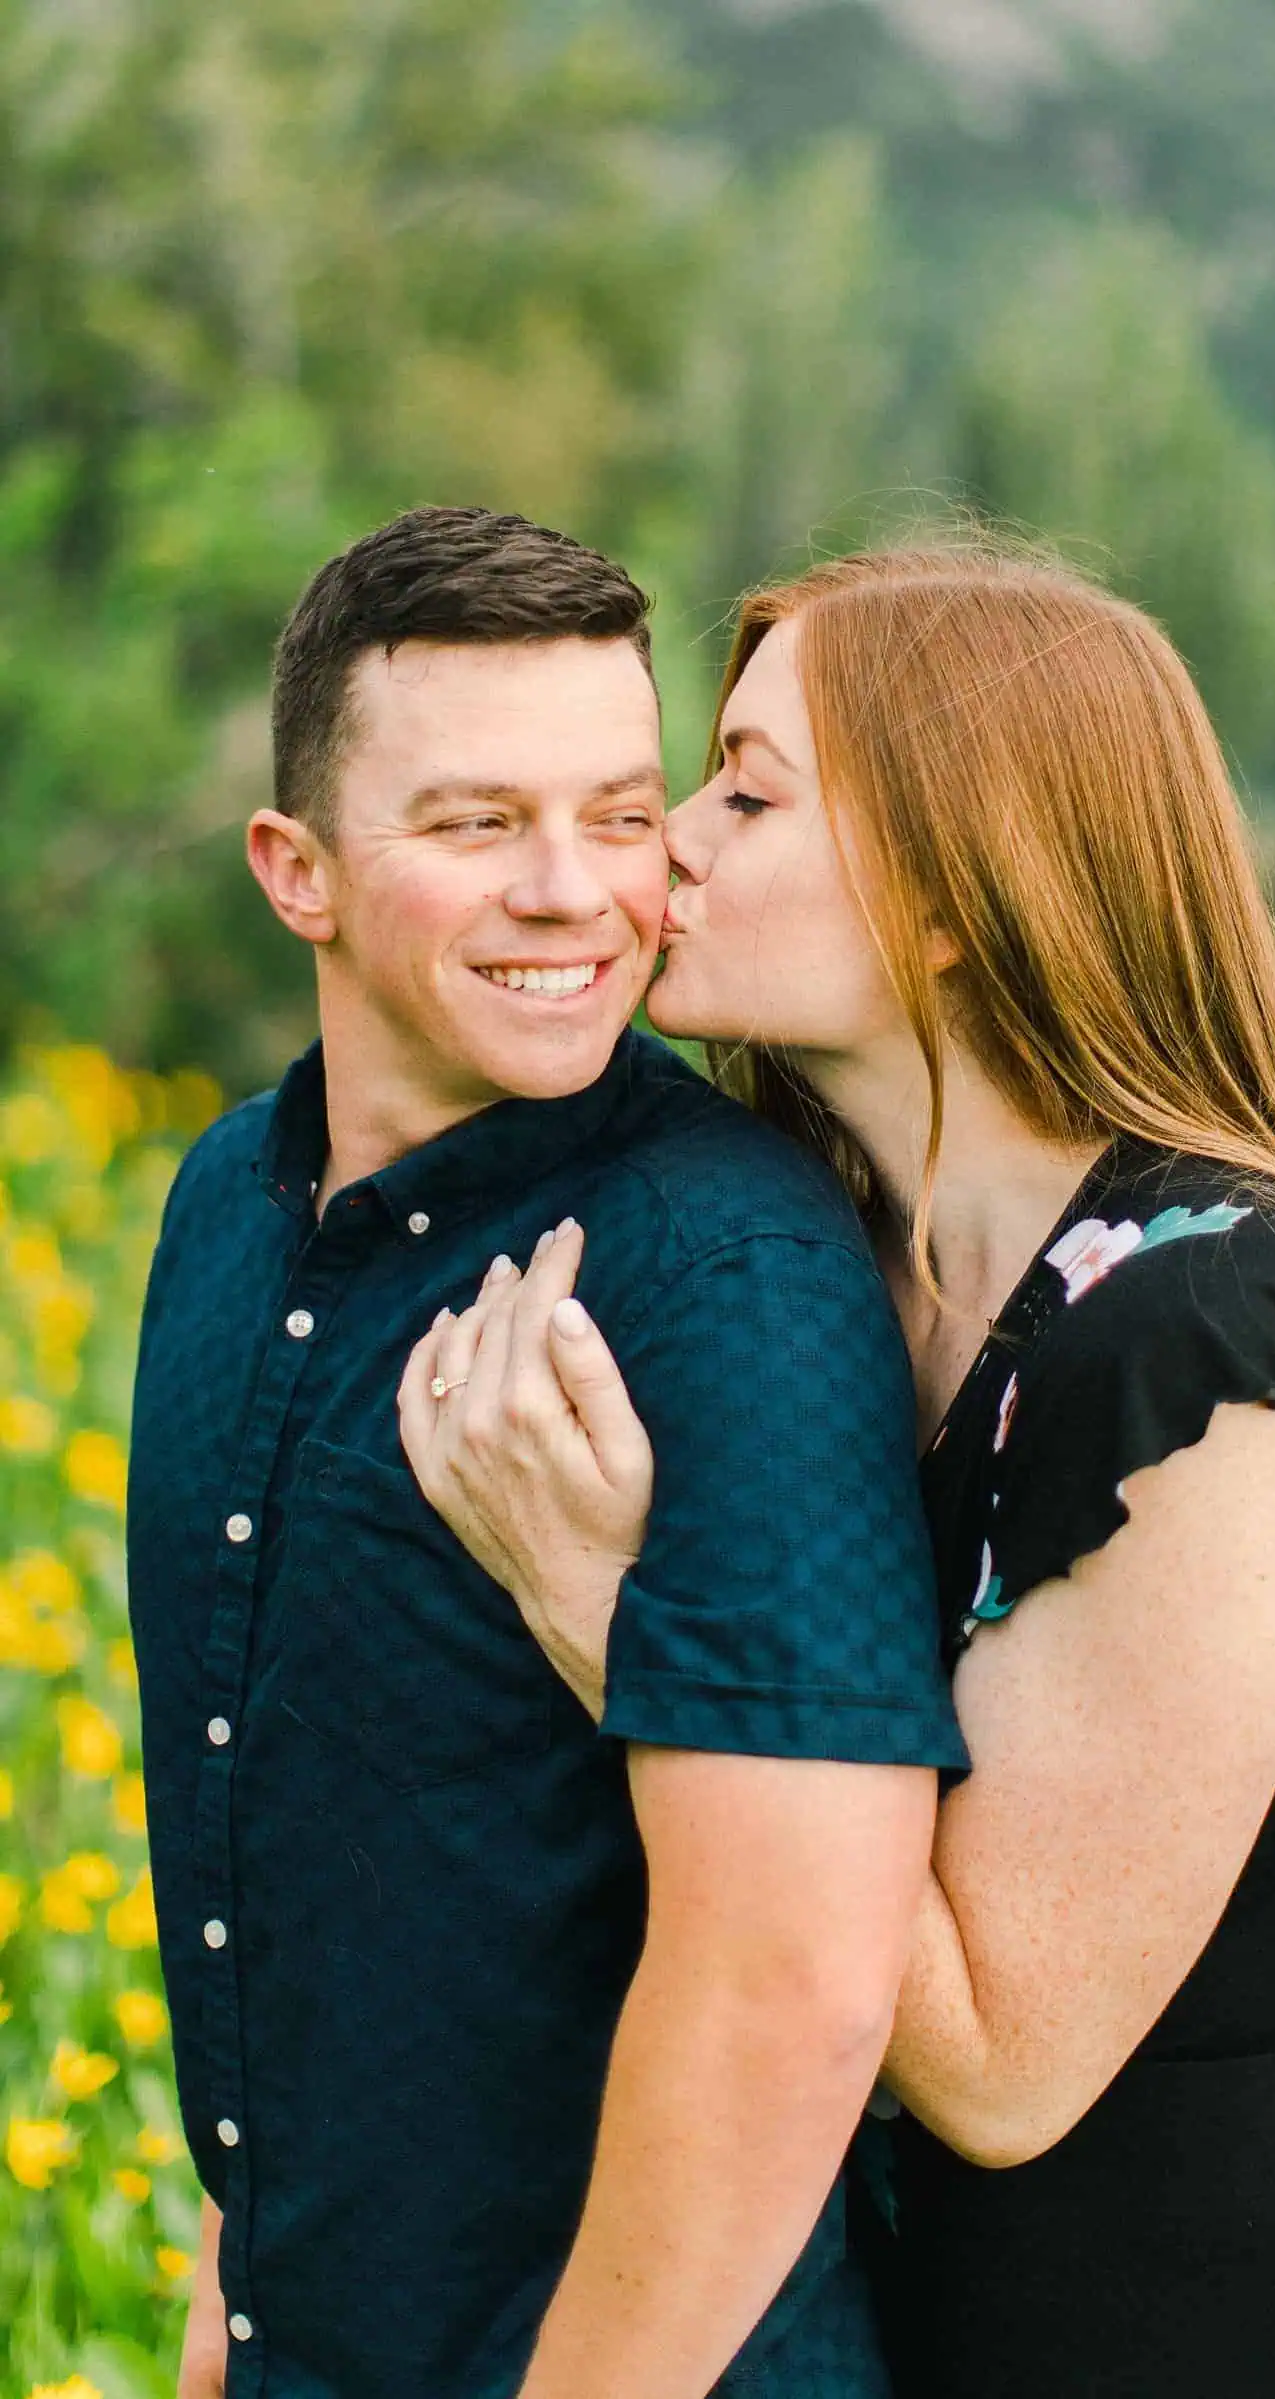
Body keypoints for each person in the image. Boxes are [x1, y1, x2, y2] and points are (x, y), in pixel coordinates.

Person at [406, 542, 1275, 2397]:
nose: (671, 839)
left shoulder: (1201, 1337)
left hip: (1250, 2334)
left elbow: (996, 2062)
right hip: (926, 2323)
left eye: (748, 790)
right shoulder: (819, 1258)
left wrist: (597, 1597)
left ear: (960, 892)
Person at [125, 507, 966, 2399]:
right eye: (476, 822)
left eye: (617, 809)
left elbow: (797, 1987)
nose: (575, 888)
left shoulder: (722, 1273)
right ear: (299, 870)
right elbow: (285, 1798)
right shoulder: (219, 1210)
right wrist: (230, 2275)